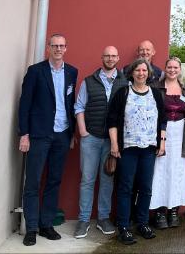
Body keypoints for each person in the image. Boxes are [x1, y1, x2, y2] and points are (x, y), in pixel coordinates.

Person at [18, 34, 78, 247]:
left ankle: (46, 225)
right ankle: (31, 228)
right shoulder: (36, 72)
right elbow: (25, 104)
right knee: (32, 182)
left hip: (62, 134)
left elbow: (70, 104)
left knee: (54, 180)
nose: (58, 49)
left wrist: (71, 134)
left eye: (62, 46)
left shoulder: (72, 72)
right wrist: (24, 134)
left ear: (66, 48)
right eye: (55, 46)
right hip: (39, 135)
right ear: (48, 48)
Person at [107, 59, 167, 245]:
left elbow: (162, 120)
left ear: (148, 73)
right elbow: (112, 120)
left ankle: (142, 223)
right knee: (126, 188)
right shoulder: (123, 93)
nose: (141, 73)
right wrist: (115, 145)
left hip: (149, 148)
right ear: (132, 73)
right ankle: (124, 226)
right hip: (128, 149)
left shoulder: (156, 94)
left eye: (144, 70)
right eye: (138, 70)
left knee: (146, 188)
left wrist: (162, 143)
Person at [73, 46, 128, 239]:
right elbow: (79, 106)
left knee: (107, 179)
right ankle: (84, 219)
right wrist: (83, 132)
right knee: (87, 180)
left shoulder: (125, 82)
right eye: (107, 55)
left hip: (112, 141)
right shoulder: (89, 81)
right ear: (102, 57)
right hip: (92, 138)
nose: (111, 58)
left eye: (114, 55)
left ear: (118, 58)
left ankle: (103, 218)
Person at [149, 57, 185, 229]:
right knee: (160, 172)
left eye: (175, 67)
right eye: (169, 67)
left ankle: (173, 211)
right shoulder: (156, 87)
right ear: (165, 68)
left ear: (180, 69)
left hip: (181, 136)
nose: (172, 70)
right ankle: (160, 212)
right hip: (162, 134)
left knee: (178, 172)